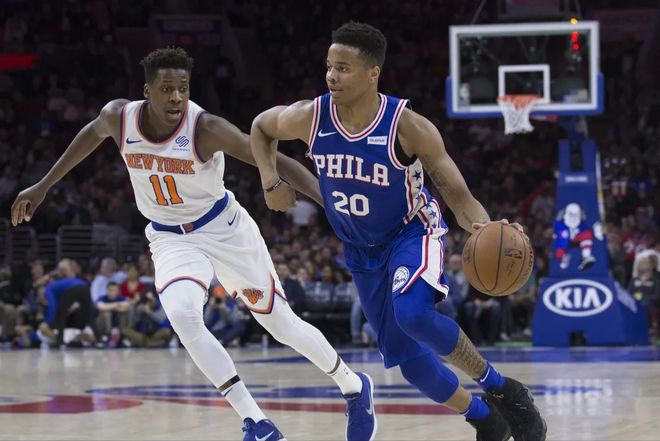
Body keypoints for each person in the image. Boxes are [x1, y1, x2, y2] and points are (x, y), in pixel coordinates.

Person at [11, 47, 375, 441]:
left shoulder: (205, 128)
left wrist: (329, 204)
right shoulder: (119, 117)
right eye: (166, 89)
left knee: (280, 324)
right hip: (169, 237)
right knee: (183, 316)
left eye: (183, 88)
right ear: (147, 91)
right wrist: (43, 186)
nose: (176, 98)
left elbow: (272, 158)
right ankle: (256, 422)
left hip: (223, 229)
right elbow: (91, 133)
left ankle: (354, 386)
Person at [250, 22, 546, 441]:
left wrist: (485, 226)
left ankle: (504, 389)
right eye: (329, 66)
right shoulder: (311, 116)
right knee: (412, 366)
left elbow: (459, 197)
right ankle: (485, 418)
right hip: (359, 250)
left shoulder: (407, 127)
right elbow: (261, 128)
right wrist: (269, 181)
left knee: (413, 315)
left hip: (411, 233)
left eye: (343, 68)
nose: (332, 76)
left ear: (373, 73)